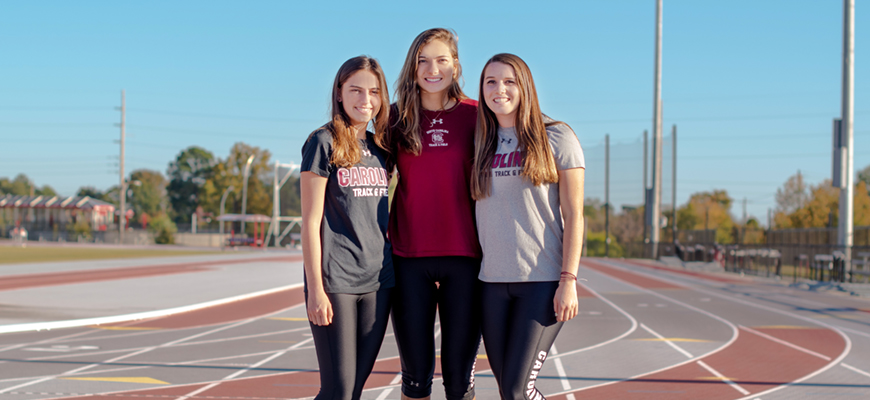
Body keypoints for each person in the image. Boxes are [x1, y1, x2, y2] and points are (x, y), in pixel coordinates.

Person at [470, 53, 586, 400]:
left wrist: (568, 281)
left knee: (518, 390)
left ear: (525, 87)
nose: (499, 89)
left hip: (541, 281)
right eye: (490, 82)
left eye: (509, 81)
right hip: (491, 282)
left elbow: (575, 214)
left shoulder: (557, 137)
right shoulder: (481, 141)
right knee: (509, 389)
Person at [388, 28, 482, 400]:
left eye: (442, 59)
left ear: (456, 66)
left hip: (466, 258)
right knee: (415, 378)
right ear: (412, 68)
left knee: (459, 381)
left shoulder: (479, 115)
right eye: (423, 60)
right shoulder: (395, 118)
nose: (432, 68)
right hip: (408, 258)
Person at [300, 55, 394, 400]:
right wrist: (316, 290)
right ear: (339, 92)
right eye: (355, 90)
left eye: (373, 92)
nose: (365, 100)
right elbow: (310, 222)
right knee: (338, 390)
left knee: (352, 390)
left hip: (379, 281)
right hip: (335, 280)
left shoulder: (382, 149)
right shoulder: (322, 143)